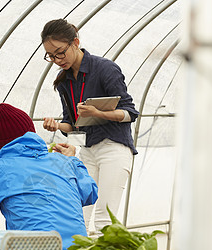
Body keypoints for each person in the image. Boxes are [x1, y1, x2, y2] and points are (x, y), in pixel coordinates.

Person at [0, 103, 98, 250]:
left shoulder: (2, 170)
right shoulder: (62, 161)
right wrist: (73, 160)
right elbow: (90, 193)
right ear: (32, 132)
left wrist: (0, 235)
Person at [40, 19, 139, 235]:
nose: (57, 60)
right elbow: (72, 123)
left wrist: (98, 113)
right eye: (51, 56)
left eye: (60, 52)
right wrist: (56, 125)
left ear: (75, 42)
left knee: (105, 222)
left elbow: (130, 113)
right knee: (78, 218)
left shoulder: (105, 69)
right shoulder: (63, 80)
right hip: (88, 150)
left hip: (114, 147)